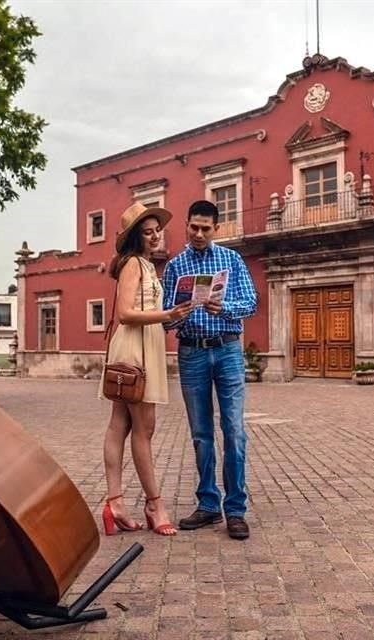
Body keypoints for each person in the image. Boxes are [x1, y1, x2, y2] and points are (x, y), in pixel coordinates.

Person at [161, 200, 258, 540]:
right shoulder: (175, 266)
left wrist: (224, 306)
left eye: (205, 228)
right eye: (193, 227)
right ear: (186, 226)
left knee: (233, 430)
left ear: (216, 228)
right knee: (201, 434)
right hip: (192, 353)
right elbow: (162, 317)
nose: (199, 234)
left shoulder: (231, 260)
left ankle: (235, 510)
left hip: (228, 348)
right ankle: (207, 504)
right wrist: (175, 314)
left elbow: (251, 302)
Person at [99, 202, 193, 537]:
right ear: (135, 236)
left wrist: (171, 314)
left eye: (157, 230)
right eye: (147, 231)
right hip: (135, 347)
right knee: (144, 429)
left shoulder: (145, 265)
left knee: (120, 424)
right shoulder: (134, 265)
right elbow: (125, 313)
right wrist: (168, 315)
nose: (155, 236)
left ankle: (115, 503)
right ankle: (155, 504)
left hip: (141, 342)